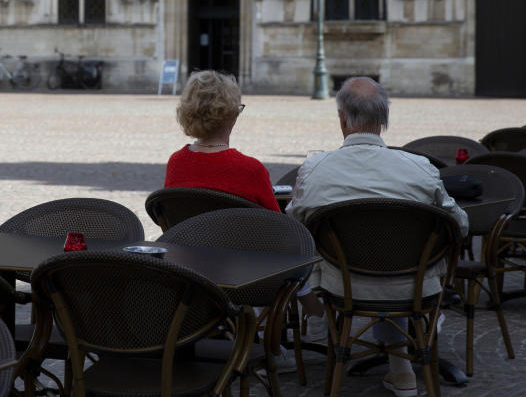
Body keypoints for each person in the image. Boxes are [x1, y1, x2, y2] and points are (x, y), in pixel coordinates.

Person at [286, 77, 467, 397]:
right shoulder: (420, 168)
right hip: (412, 286)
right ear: (384, 119)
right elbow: (460, 225)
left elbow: (293, 228)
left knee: (357, 255)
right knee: (392, 257)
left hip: (342, 285)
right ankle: (402, 367)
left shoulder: (316, 168)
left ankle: (370, 355)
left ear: (342, 117)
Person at [164, 70, 280, 211]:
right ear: (231, 114)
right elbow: (278, 226)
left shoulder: (176, 163)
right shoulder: (251, 170)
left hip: (191, 233)